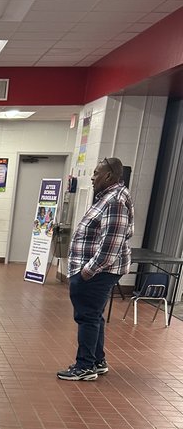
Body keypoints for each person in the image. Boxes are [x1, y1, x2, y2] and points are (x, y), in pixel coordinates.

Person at [58, 157, 134, 382]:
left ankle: (85, 366)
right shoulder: (109, 197)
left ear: (109, 176)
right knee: (94, 315)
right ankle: (97, 361)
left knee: (88, 316)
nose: (92, 177)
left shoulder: (115, 201)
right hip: (96, 270)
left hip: (97, 272)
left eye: (96, 173)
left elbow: (110, 246)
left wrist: (86, 272)